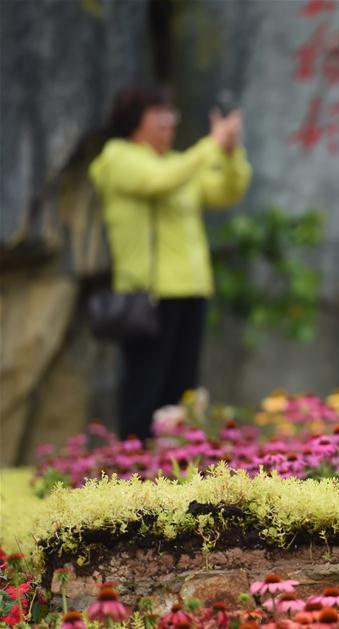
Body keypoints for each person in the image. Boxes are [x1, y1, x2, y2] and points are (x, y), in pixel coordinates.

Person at [89, 84, 252, 440]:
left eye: (170, 114)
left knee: (182, 392)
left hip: (192, 288)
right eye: (159, 114)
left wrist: (229, 152)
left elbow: (226, 191)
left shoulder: (179, 163)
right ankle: (133, 462)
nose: (169, 122)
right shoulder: (119, 158)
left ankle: (175, 460)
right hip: (149, 295)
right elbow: (157, 182)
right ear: (135, 119)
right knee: (145, 388)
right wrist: (210, 145)